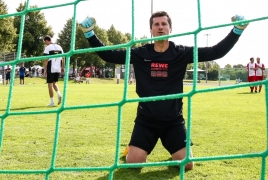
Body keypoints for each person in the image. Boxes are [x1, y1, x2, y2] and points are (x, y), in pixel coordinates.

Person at [79, 12, 248, 170]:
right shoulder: (140, 53)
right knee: (133, 165)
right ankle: (132, 150)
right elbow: (110, 55)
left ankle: (177, 151)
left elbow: (216, 51)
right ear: (151, 30)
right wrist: (90, 34)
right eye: (156, 24)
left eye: (164, 24)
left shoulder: (182, 52)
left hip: (173, 121)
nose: (160, 27)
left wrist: (237, 30)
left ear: (170, 28)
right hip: (146, 121)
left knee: (187, 165)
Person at [43, 35, 65, 106]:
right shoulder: (59, 47)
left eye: (45, 42)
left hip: (51, 68)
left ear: (46, 41)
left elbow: (46, 60)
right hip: (57, 68)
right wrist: (62, 67)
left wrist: (45, 69)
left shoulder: (47, 48)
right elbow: (63, 58)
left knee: (50, 84)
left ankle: (52, 102)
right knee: (54, 83)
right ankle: (58, 94)